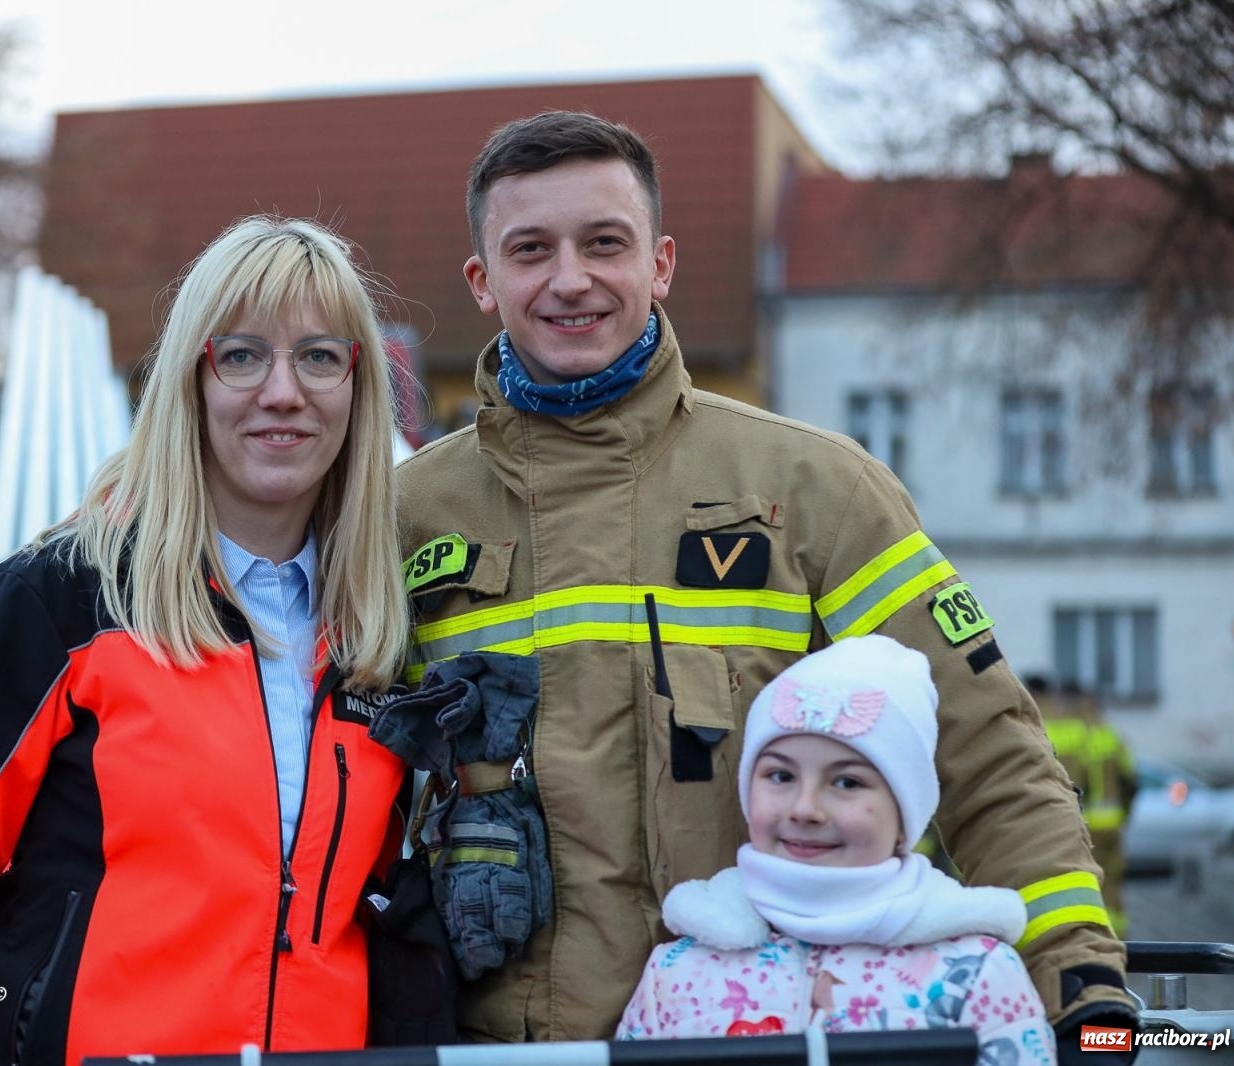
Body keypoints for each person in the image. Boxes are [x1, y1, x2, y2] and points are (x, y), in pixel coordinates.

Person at [395, 111, 1137, 1058]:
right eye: (530, 249)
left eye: (605, 243)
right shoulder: (402, 514)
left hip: (757, 1041)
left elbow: (986, 752)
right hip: (494, 1046)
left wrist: (1082, 992)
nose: (570, 278)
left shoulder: (816, 491)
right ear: (483, 282)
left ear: (661, 264)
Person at [0, 216, 412, 1065]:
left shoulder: (384, 628)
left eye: (320, 357)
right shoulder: (56, 603)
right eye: (243, 355)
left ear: (357, 389)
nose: (283, 392)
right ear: (192, 379)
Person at [617, 636, 1056, 1064]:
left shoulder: (976, 972)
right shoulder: (676, 971)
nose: (805, 808)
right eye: (780, 776)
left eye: (846, 782)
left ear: (906, 815)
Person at [1031, 677, 1138, 937]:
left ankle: (1094, 937)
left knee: (1081, 883)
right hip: (1112, 821)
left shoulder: (1061, 732)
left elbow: (1076, 780)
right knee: (1112, 881)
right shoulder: (1110, 735)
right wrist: (1123, 814)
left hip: (1084, 820)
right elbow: (1131, 781)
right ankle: (1119, 937)